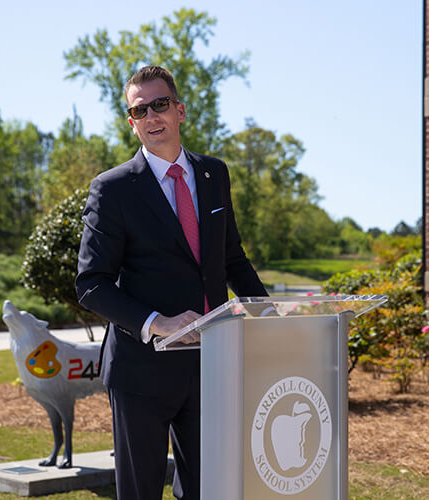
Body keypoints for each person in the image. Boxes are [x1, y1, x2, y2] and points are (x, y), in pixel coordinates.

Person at [75, 65, 267, 500]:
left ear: (179, 110)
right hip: (140, 369)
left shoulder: (214, 175)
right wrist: (157, 322)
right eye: (139, 110)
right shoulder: (112, 190)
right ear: (131, 123)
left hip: (208, 366)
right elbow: (91, 283)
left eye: (159, 104)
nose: (151, 116)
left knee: (206, 490)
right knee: (141, 492)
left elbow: (232, 259)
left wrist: (270, 317)